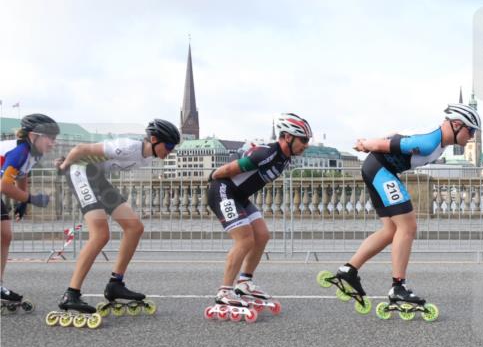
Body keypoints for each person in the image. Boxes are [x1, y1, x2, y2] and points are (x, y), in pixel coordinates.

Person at [332, 102, 481, 307]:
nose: (472, 136)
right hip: (380, 170)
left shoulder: (439, 142)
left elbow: (395, 136)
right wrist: (365, 144)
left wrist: (371, 143)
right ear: (456, 125)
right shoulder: (430, 141)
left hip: (379, 170)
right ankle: (398, 287)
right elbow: (385, 145)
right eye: (471, 130)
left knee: (391, 230)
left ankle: (348, 270)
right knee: (408, 227)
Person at [56, 119, 181, 316]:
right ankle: (71, 293)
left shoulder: (148, 158)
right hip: (80, 171)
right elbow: (80, 149)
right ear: (155, 139)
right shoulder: (126, 147)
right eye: (169, 146)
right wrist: (63, 166)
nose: (171, 151)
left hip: (97, 178)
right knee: (100, 234)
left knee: (135, 228)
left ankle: (116, 283)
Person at [206, 113, 311, 315]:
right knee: (245, 239)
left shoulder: (286, 158)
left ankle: (244, 282)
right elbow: (229, 169)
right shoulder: (267, 153)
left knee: (262, 235)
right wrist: (212, 176)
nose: (306, 145)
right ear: (288, 137)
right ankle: (225, 291)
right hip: (223, 191)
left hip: (240, 196)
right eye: (303, 140)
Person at [0, 114, 59, 311]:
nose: (53, 143)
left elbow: (22, 174)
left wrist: (22, 200)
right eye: (49, 138)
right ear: (34, 136)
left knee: (4, 235)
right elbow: (4, 186)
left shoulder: (33, 152)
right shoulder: (19, 151)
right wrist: (31, 199)